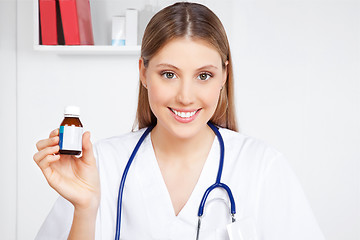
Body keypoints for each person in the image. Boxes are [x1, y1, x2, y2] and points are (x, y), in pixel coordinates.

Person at [33, 2, 325, 240]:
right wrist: (85, 208)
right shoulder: (102, 165)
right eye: (169, 74)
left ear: (224, 75)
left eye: (204, 75)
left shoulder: (262, 167)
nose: (186, 97)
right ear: (143, 73)